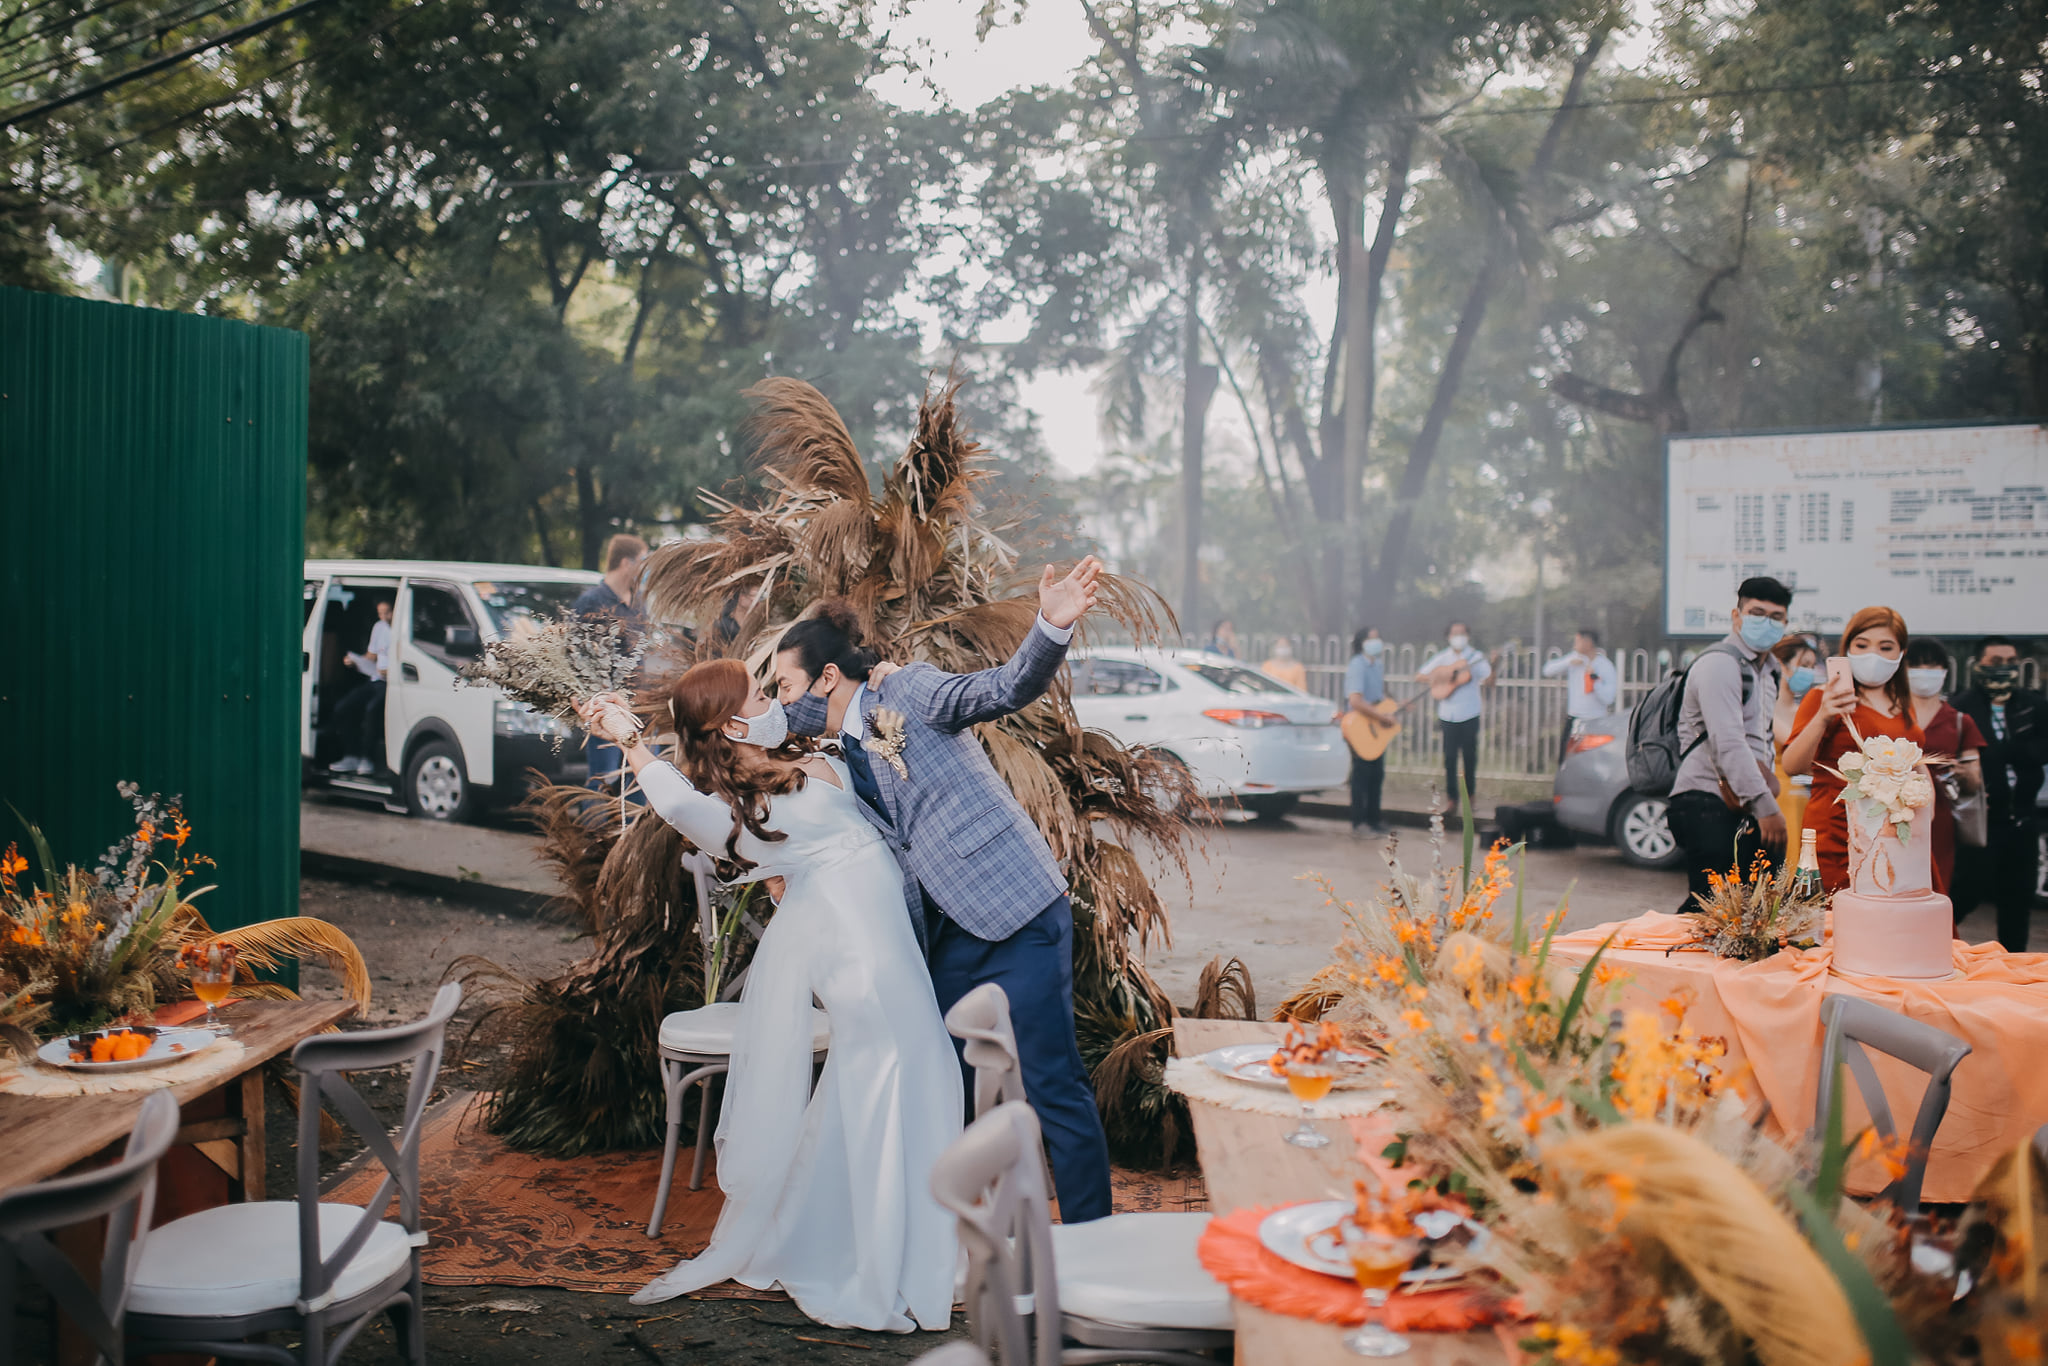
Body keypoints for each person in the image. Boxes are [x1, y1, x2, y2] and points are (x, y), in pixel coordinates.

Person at [580, 662, 960, 1329]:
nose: (772, 699)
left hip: (886, 943)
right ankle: (880, 1259)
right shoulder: (741, 810)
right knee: (888, 1076)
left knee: (908, 1075)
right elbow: (673, 803)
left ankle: (887, 1238)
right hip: (857, 957)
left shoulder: (788, 763)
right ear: (732, 724)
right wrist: (628, 738)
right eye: (760, 695)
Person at [775, 559, 1115, 1227]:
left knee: (1051, 1081)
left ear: (827, 678)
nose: (784, 703)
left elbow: (1003, 688)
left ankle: (1090, 1244)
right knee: (943, 1081)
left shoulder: (907, 691)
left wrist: (1051, 625)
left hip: (1016, 911)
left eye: (786, 687)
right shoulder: (833, 756)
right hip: (944, 938)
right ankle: (966, 1238)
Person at [1668, 577, 1791, 908]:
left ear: (1785, 623)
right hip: (1706, 800)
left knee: (1754, 910)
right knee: (1713, 910)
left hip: (1743, 802)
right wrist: (1767, 808)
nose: (1766, 622)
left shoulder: (1769, 670)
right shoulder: (1720, 663)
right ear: (1736, 616)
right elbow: (1728, 742)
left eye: (1776, 617)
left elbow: (1762, 741)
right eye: (1757, 613)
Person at [1783, 605, 1921, 892]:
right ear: (1847, 649)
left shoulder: (1904, 703)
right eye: (1862, 645)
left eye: (1885, 647)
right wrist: (1823, 716)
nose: (1873, 655)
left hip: (1896, 833)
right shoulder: (1823, 697)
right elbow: (1792, 765)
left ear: (1901, 653)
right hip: (1838, 832)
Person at [1950, 636, 2047, 952]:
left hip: (2022, 820)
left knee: (2018, 902)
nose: (2003, 668)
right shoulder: (1961, 707)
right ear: (1978, 665)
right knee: (1965, 893)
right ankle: (1933, 951)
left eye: (2010, 662)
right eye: (1995, 662)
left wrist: (2003, 751)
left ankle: (2015, 966)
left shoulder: (2032, 705)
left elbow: (2042, 747)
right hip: (1981, 822)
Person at [1903, 638, 1984, 899]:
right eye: (1916, 665)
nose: (1924, 672)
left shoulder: (1960, 721)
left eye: (1931, 666)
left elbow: (1974, 781)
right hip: (1894, 814)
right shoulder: (1891, 716)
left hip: (1940, 821)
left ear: (1944, 671)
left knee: (1934, 890)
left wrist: (1963, 773)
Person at [575, 533, 649, 792]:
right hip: (606, 709)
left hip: (639, 708)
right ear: (626, 563)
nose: (645, 568)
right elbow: (578, 655)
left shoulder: (638, 602)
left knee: (640, 780)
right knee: (603, 780)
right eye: (642, 560)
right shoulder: (591, 602)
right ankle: (593, 820)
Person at [1418, 622, 1489, 817]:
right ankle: (1451, 799)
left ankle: (1470, 797)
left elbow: (1489, 678)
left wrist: (1494, 663)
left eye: (1462, 633)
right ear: (1448, 637)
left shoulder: (1475, 657)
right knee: (1449, 759)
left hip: (1470, 713)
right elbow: (1420, 675)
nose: (1459, 637)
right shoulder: (1443, 658)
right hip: (1448, 714)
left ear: (1468, 636)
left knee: (1469, 758)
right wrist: (1443, 677)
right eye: (1455, 633)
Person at [329, 599, 393, 774]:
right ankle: (351, 755)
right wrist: (356, 661)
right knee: (344, 707)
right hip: (374, 679)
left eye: (387, 612)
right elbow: (372, 655)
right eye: (380, 613)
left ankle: (367, 758)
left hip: (392, 683)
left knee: (372, 710)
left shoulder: (402, 627)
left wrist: (391, 671)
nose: (384, 617)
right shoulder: (379, 627)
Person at [1769, 634, 1822, 842]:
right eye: (1804, 665)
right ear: (1781, 665)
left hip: (1808, 795)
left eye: (1812, 666)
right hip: (1780, 796)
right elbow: (1794, 745)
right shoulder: (1766, 708)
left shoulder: (1805, 710)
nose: (1809, 672)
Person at [1541, 628, 1618, 763]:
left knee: (1594, 762)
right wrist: (1568, 662)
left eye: (1578, 641)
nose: (1574, 645)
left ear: (1588, 643)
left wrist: (1594, 681)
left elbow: (1609, 698)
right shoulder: (1574, 659)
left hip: (1596, 721)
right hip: (1574, 720)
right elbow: (1547, 670)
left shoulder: (1605, 666)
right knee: (1566, 761)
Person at [1343, 628, 1391, 835]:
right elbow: (1356, 701)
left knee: (1376, 774)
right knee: (1361, 774)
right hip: (1360, 726)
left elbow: (1380, 696)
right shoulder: (1357, 665)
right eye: (1372, 638)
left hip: (1375, 727)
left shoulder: (1377, 665)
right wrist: (1381, 717)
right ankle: (1359, 821)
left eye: (1377, 637)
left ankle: (1374, 819)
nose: (1376, 641)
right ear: (1362, 642)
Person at [716, 582, 760, 646]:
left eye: (760, 596)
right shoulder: (725, 625)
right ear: (741, 597)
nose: (757, 600)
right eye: (754, 596)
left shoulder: (757, 624)